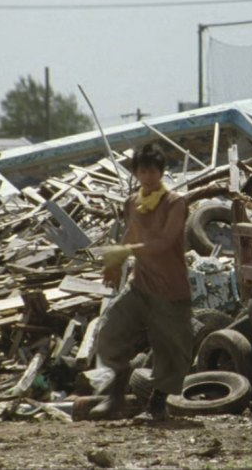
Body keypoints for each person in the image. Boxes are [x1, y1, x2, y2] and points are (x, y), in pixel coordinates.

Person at [90, 143, 192, 421]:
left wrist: (128, 251)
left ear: (161, 172)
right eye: (143, 171)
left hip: (170, 290)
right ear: (135, 173)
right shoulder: (133, 202)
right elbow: (129, 235)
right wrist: (115, 263)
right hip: (141, 285)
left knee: (170, 350)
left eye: (153, 171)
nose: (148, 177)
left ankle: (157, 406)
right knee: (110, 332)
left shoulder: (174, 203)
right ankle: (116, 395)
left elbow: (165, 242)